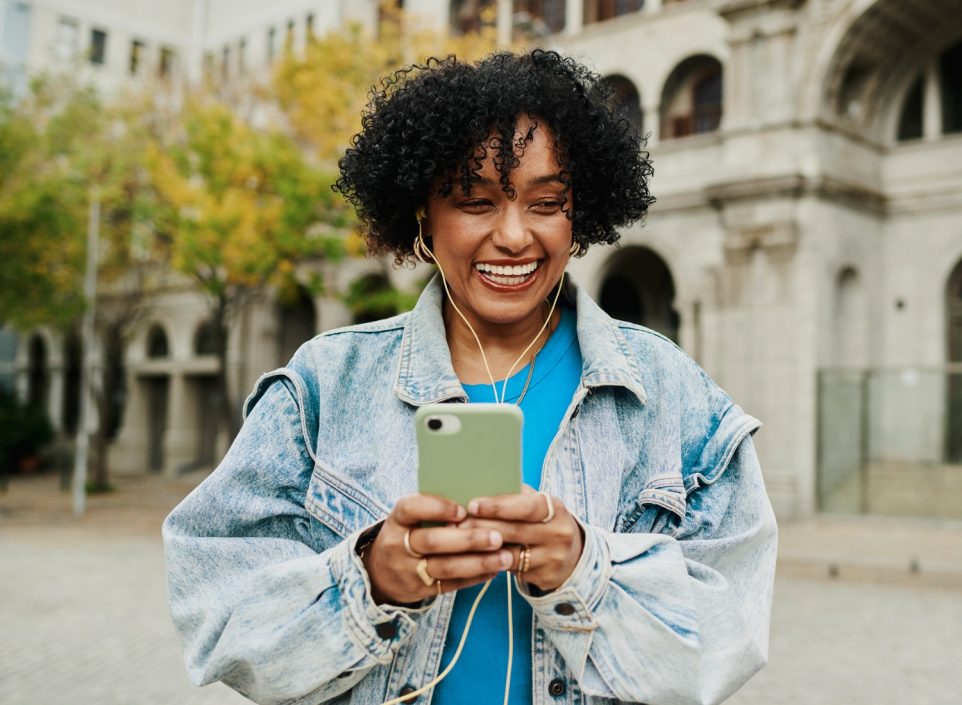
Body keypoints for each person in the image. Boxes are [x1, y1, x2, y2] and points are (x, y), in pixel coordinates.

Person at [163, 49, 777, 705]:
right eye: (474, 201)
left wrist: (583, 568)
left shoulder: (673, 395)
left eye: (547, 201)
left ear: (580, 216)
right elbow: (218, 616)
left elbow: (726, 640)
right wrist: (369, 579)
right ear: (423, 218)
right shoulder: (323, 385)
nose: (514, 235)